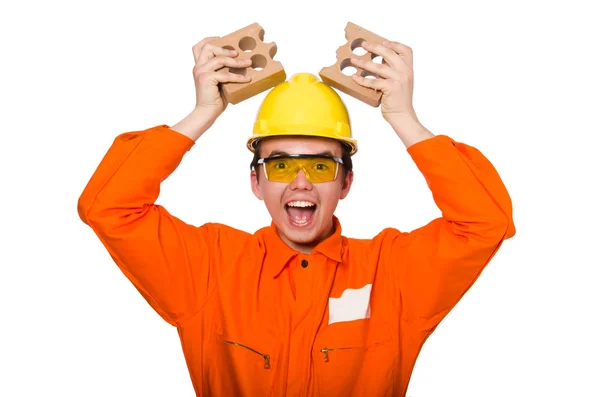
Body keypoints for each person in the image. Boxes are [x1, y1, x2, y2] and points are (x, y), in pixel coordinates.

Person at [77, 35, 515, 397]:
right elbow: (108, 207)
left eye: (321, 165)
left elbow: (485, 223)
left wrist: (404, 117)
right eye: (282, 165)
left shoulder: (394, 274)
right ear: (257, 183)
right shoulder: (209, 269)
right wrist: (202, 113)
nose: (301, 182)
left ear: (346, 183)